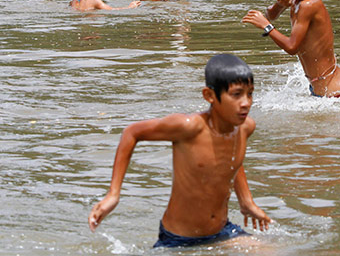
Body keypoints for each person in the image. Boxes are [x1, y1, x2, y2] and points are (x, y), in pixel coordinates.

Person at [88, 54, 271, 248]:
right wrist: (113, 194)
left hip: (222, 231)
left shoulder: (244, 127)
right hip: (178, 240)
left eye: (250, 94)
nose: (246, 103)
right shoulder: (189, 127)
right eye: (236, 94)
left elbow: (232, 160)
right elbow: (131, 133)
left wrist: (246, 202)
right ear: (209, 95)